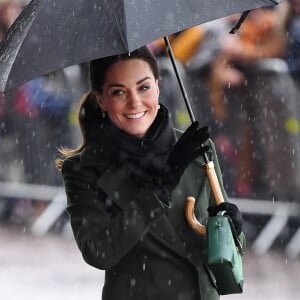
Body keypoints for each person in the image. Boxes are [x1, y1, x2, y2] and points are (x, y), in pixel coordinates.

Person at [56, 46, 244, 300]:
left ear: (157, 86)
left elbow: (228, 247)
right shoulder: (83, 168)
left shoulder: (197, 148)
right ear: (101, 99)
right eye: (119, 91)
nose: (135, 102)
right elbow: (98, 251)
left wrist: (231, 227)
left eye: (143, 87)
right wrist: (160, 189)